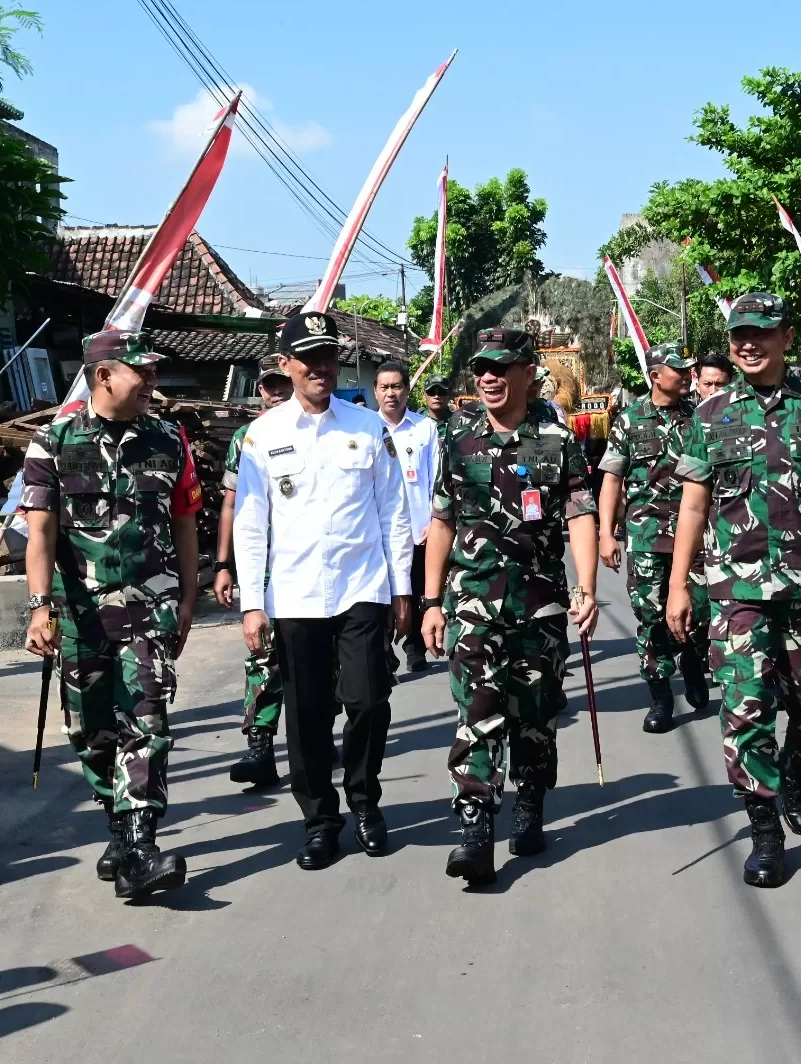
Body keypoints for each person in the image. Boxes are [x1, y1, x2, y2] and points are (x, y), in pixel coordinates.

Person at [667, 292, 801, 889]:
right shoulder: (710, 416)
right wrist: (679, 585)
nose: (748, 344)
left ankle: (799, 773)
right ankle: (764, 830)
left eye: (760, 332)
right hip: (738, 592)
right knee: (746, 712)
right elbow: (694, 505)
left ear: (787, 337)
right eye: (738, 336)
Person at [21, 329, 202, 900]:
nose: (152, 382)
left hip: (148, 606)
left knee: (147, 721)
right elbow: (41, 531)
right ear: (104, 375)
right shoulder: (53, 442)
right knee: (91, 730)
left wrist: (189, 596)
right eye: (141, 372)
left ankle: (143, 842)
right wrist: (39, 606)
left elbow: (184, 520)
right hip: (80, 613)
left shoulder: (169, 440)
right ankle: (120, 830)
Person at [421, 328, 599, 887]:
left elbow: (579, 514)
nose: (490, 378)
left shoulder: (556, 436)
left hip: (539, 603)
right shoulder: (457, 436)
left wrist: (586, 587)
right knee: (476, 711)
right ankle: (475, 827)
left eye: (502, 368)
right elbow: (442, 519)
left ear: (528, 372)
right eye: (482, 369)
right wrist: (431, 602)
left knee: (535, 715)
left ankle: (531, 798)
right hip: (473, 600)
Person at [234, 312, 412, 870]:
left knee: (367, 701)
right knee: (306, 715)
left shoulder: (366, 427)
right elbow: (249, 521)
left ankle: (365, 803)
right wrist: (252, 603)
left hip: (362, 588)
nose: (320, 367)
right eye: (307, 357)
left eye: (328, 356)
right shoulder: (265, 435)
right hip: (295, 597)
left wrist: (402, 590)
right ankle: (319, 819)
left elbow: (394, 513)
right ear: (284, 365)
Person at [597, 342, 710, 734]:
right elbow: (611, 479)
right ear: (656, 375)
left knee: (700, 611)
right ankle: (660, 695)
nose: (686, 376)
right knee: (650, 618)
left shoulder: (699, 417)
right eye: (679, 369)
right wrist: (606, 533)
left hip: (694, 537)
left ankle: (693, 659)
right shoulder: (629, 420)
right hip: (645, 536)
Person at [215, 355, 293, 788]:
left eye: (282, 382)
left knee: (323, 659)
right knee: (263, 655)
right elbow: (232, 502)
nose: (276, 391)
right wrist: (224, 563)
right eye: (269, 385)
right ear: (259, 389)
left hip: (312, 566)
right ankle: (260, 746)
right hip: (262, 565)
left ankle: (316, 737)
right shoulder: (247, 438)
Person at [374, 360, 439, 676]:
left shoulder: (425, 428)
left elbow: (435, 478)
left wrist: (434, 520)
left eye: (396, 386)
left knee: (414, 589)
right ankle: (383, 652)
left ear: (407, 390)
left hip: (419, 526)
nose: (391, 393)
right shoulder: (368, 429)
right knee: (381, 593)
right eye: (384, 387)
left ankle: (415, 649)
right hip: (377, 529)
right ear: (376, 391)